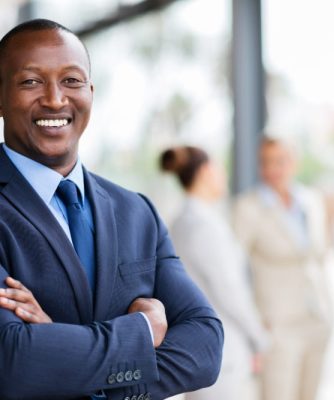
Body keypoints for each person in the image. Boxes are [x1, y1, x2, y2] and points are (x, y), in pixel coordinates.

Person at [0, 19, 223, 400]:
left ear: (91, 91)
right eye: (31, 81)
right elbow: (13, 362)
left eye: (71, 80)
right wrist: (142, 331)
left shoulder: (137, 212)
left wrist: (67, 359)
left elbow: (205, 346)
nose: (55, 99)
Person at [160, 146, 268, 400]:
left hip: (205, 348)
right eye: (220, 168)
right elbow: (229, 290)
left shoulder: (184, 219)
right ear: (207, 171)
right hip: (223, 351)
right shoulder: (202, 225)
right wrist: (260, 336)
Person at [233, 137, 333, 400]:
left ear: (294, 163)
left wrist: (329, 310)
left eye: (280, 160)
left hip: (318, 318)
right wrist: (254, 321)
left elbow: (319, 260)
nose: (272, 168)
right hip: (278, 326)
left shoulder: (312, 201)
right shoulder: (248, 207)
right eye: (265, 162)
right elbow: (233, 270)